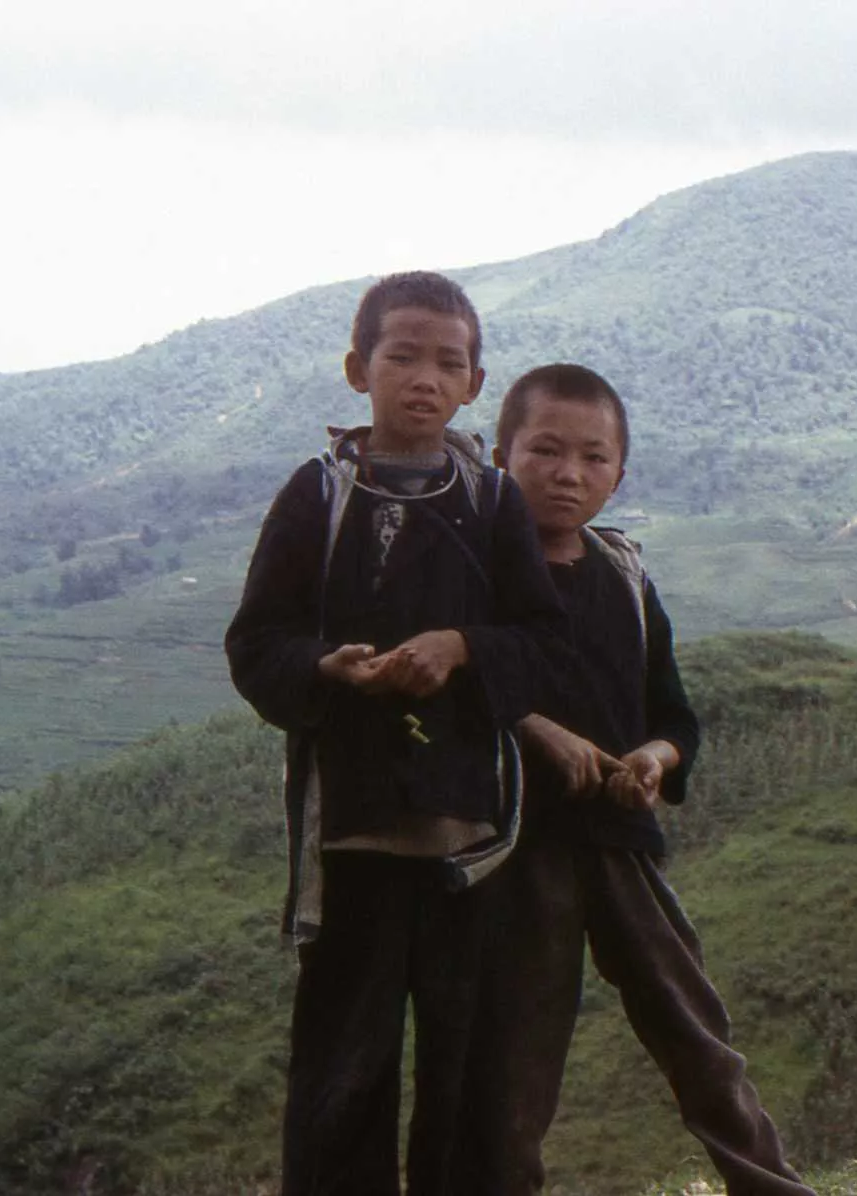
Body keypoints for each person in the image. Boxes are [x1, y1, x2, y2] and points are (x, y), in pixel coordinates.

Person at [225, 272, 565, 1196]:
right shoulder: (316, 498)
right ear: (356, 369)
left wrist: (461, 647)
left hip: (471, 845)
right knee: (344, 1065)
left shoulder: (494, 506)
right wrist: (326, 668)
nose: (423, 378)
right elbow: (256, 643)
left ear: (475, 383)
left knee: (463, 1067)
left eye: (446, 362)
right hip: (355, 837)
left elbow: (541, 647)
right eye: (401, 355)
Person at [453, 363, 814, 1196]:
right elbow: (453, 690)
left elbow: (674, 714)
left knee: (694, 1029)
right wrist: (534, 730)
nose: (568, 474)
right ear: (502, 455)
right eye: (544, 450)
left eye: (593, 457)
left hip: (621, 849)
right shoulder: (474, 575)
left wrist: (654, 759)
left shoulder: (624, 579)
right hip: (516, 853)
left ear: (621, 472)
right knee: (518, 1061)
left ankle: (770, 1185)